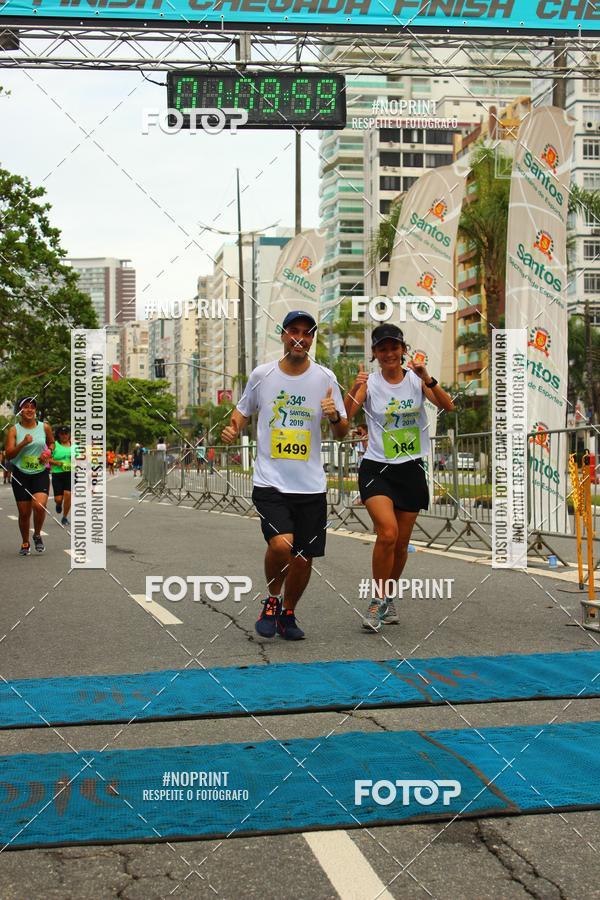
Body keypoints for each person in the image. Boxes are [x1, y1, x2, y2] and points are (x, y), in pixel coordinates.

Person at [222, 309, 348, 641]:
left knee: (303, 558)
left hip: (310, 485)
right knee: (282, 545)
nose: (300, 338)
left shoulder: (326, 378)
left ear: (312, 339)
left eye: (307, 333)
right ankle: (272, 600)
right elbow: (242, 411)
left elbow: (342, 433)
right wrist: (233, 428)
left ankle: (288, 613)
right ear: (283, 335)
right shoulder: (262, 375)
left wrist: (335, 417)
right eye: (294, 331)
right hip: (271, 482)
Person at [344, 324, 455, 631]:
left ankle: (388, 598)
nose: (389, 353)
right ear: (374, 353)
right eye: (382, 349)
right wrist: (354, 388)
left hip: (410, 468)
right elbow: (345, 417)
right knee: (388, 533)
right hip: (377, 467)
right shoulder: (370, 383)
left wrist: (427, 377)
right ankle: (377, 599)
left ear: (403, 350)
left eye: (394, 347)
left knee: (401, 544)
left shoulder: (416, 380)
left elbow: (447, 406)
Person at [4, 397, 55, 555]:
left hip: (40, 472)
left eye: (32, 407)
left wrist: (48, 452)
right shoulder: (14, 430)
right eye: (26, 407)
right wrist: (23, 443)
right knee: (24, 513)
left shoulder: (44, 427)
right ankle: (25, 542)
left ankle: (37, 534)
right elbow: (9, 455)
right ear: (20, 411)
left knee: (39, 506)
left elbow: (52, 443)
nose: (30, 410)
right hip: (20, 474)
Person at [50, 425, 73, 526]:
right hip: (57, 474)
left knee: (68, 494)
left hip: (70, 473)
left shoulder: (74, 446)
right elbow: (47, 458)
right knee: (58, 499)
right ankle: (58, 504)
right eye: (62, 434)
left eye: (66, 433)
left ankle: (65, 517)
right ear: (58, 435)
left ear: (69, 434)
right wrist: (56, 463)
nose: (64, 436)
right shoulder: (54, 445)